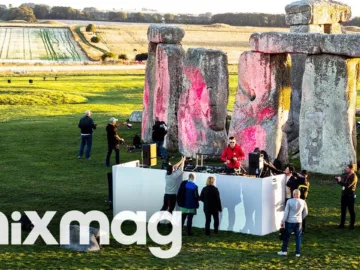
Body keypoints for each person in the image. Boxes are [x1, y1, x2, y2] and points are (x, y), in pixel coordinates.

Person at [278, 189, 308, 257]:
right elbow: (306, 212)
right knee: (298, 237)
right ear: (299, 195)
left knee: (287, 236)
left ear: (293, 194)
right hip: (299, 222)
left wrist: (283, 221)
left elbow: (286, 213)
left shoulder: (289, 201)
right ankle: (298, 253)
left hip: (290, 221)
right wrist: (301, 218)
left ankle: (284, 251)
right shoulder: (303, 202)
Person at [336, 164, 358, 230]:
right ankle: (342, 224)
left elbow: (347, 185)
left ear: (351, 169)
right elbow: (343, 184)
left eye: (347, 168)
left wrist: (340, 181)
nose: (346, 169)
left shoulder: (354, 177)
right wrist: (338, 180)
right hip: (344, 195)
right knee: (343, 210)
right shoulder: (347, 176)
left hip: (350, 195)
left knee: (351, 210)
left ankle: (352, 224)